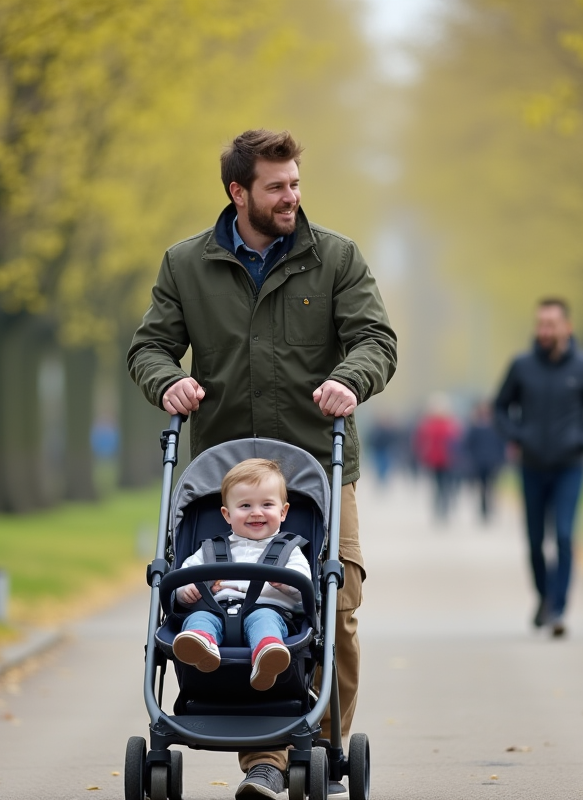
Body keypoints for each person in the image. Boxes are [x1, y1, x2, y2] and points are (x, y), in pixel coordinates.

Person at [128, 129, 397, 800]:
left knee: (333, 608)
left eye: (296, 183)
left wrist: (351, 380)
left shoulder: (335, 258)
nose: (291, 197)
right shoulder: (185, 265)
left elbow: (376, 339)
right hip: (229, 480)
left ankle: (321, 747)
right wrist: (167, 381)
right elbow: (150, 347)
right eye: (277, 186)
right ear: (238, 192)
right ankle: (268, 763)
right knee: (228, 605)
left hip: (319, 473)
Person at [493, 298, 583, 638]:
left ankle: (559, 609)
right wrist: (518, 436)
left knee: (563, 535)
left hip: (569, 466)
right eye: (541, 324)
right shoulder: (521, 366)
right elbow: (500, 408)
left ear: (567, 327)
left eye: (551, 324)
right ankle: (544, 598)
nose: (545, 331)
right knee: (534, 541)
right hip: (531, 467)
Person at [173, 459, 310, 691]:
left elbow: (304, 585)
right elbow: (184, 574)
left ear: (283, 511)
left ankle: (267, 655)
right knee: (198, 620)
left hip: (268, 608)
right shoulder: (211, 550)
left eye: (267, 504)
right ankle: (201, 646)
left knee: (265, 621)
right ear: (227, 514)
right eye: (245, 506)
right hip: (215, 609)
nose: (256, 513)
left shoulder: (289, 551)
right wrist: (184, 592)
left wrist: (285, 583)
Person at [413, 394, 461, 522]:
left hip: (447, 459)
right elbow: (421, 442)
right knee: (438, 485)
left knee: (444, 485)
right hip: (435, 460)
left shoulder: (449, 424)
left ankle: (443, 508)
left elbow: (457, 442)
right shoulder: (429, 424)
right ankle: (440, 509)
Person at [464, 401, 507, 523]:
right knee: (484, 487)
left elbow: (501, 444)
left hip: (491, 461)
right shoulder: (476, 427)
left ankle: (489, 507)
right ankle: (485, 507)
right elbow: (469, 445)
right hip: (480, 461)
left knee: (490, 486)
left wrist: (502, 458)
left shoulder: (495, 427)